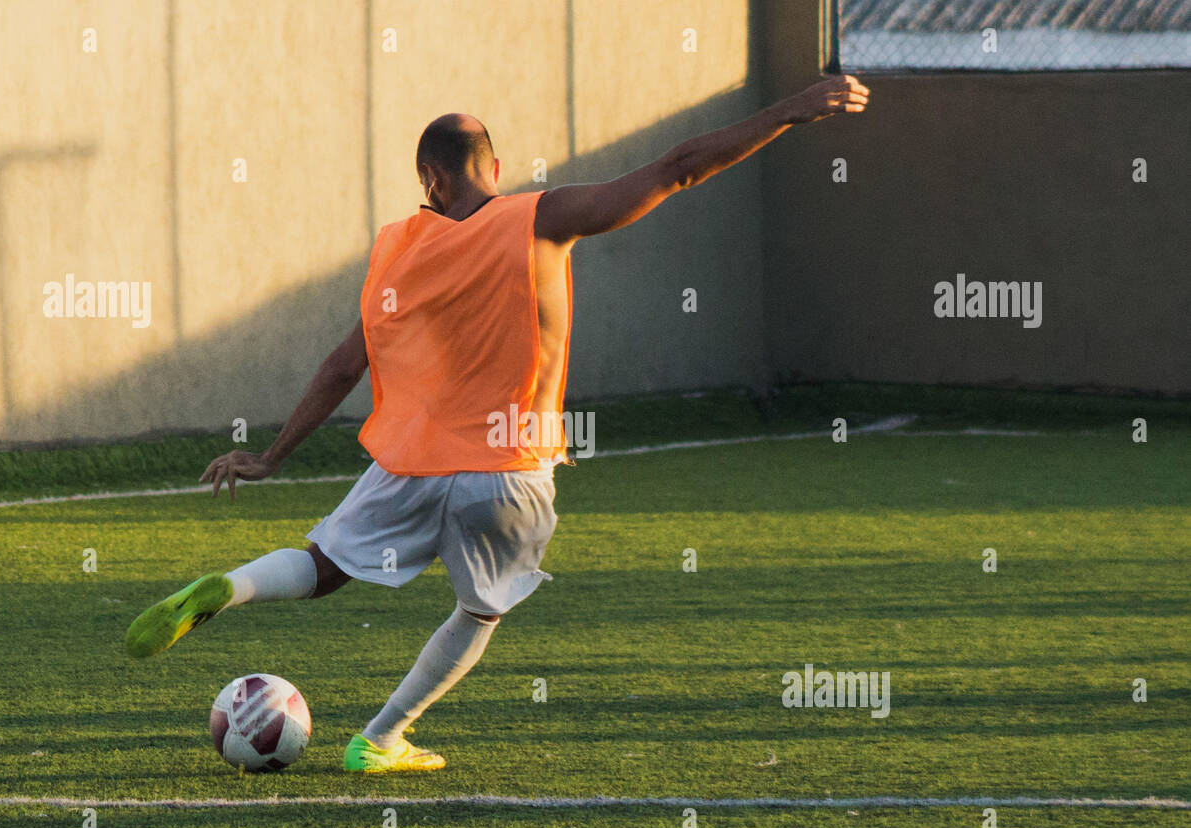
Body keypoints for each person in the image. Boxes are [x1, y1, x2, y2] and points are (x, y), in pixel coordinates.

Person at [125, 75, 871, 773]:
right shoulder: (537, 218)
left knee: (325, 566)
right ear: (496, 165)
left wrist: (273, 456)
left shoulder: (399, 252)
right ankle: (381, 739)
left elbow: (341, 366)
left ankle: (231, 586)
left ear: (430, 181)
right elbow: (678, 167)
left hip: (412, 465)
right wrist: (790, 110)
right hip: (508, 471)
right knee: (480, 610)